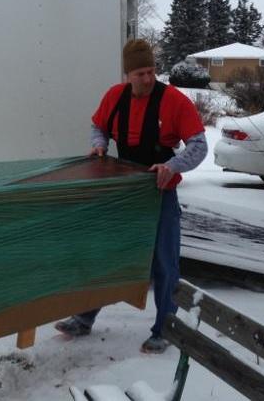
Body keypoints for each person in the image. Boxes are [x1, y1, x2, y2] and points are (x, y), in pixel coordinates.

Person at [55, 39, 207, 353]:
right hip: (124, 195)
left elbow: (199, 146)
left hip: (159, 194)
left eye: (151, 71)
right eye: (140, 73)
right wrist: (99, 145)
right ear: (127, 74)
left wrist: (172, 165)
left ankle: (165, 328)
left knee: (164, 263)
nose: (148, 78)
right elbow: (98, 127)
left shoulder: (173, 101)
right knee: (106, 255)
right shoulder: (115, 97)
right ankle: (84, 317)